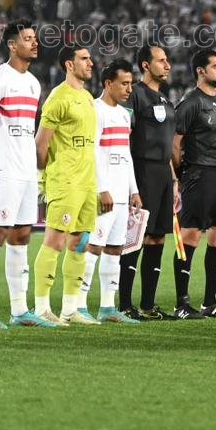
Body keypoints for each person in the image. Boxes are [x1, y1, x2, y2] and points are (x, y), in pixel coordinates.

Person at [0, 21, 53, 327]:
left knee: (22, 235)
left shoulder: (34, 83)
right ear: (12, 45)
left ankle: (20, 310)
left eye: (35, 39)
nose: (34, 43)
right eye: (27, 39)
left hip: (25, 170)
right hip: (2, 169)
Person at [32, 44, 99, 326]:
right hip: (66, 180)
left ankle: (70, 309)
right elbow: (41, 144)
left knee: (80, 242)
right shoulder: (58, 98)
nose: (90, 63)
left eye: (90, 58)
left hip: (87, 181)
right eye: (84, 59)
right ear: (69, 65)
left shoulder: (87, 97)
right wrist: (44, 178)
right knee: (55, 241)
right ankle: (41, 308)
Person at [173, 49, 216, 319]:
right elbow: (175, 144)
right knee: (190, 237)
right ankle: (181, 304)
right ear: (201, 71)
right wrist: (182, 175)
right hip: (199, 175)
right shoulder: (190, 103)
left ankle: (211, 302)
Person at [80, 59, 142, 323]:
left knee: (115, 249)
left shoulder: (124, 114)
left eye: (131, 83)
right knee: (93, 247)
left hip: (120, 195)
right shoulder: (95, 110)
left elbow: (126, 155)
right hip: (102, 194)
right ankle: (79, 305)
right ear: (108, 83)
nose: (129, 89)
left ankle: (107, 308)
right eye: (124, 83)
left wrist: (134, 191)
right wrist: (101, 188)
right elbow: (92, 152)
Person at [120, 44, 178, 318]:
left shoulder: (165, 100)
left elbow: (167, 144)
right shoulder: (135, 95)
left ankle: (147, 305)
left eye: (167, 60)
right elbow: (124, 137)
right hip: (142, 170)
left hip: (163, 174)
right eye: (161, 60)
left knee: (157, 238)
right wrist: (130, 182)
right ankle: (125, 304)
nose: (167, 65)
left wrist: (174, 180)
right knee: (135, 238)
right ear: (145, 65)